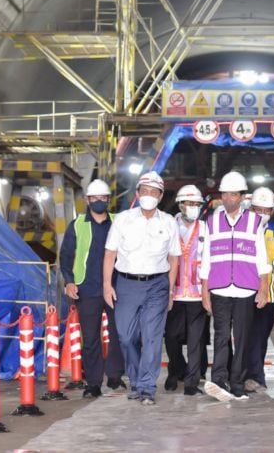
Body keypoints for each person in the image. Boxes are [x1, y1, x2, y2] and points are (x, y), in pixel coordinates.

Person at [102, 171, 180, 406]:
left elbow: (174, 258)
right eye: (144, 191)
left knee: (152, 337)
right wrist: (107, 284)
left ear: (160, 195)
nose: (149, 195)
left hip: (157, 285)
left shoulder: (168, 222)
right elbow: (110, 253)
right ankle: (135, 379)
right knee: (126, 336)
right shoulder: (123, 220)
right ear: (137, 193)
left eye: (154, 192)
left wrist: (170, 290)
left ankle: (146, 387)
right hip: (126, 284)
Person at [200, 171, 270, 402]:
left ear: (242, 197)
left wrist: (263, 289)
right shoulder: (211, 222)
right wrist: (204, 291)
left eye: (234, 194)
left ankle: (237, 383)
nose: (229, 198)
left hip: (245, 288)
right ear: (221, 196)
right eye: (225, 194)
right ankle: (219, 381)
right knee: (220, 336)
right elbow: (206, 258)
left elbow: (262, 258)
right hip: (219, 288)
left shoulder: (254, 222)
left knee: (241, 337)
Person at [59, 179, 126, 398]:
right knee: (91, 337)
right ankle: (94, 383)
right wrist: (69, 281)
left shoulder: (119, 222)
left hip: (116, 287)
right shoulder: (77, 225)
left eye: (103, 198)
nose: (99, 201)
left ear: (108, 200)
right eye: (94, 198)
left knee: (119, 335)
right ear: (88, 200)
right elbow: (66, 255)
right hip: (86, 288)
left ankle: (115, 376)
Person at [164, 184, 208, 396]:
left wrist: (209, 293)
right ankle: (174, 372)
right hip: (174, 292)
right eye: (189, 204)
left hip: (198, 293)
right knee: (171, 337)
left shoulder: (206, 228)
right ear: (181, 205)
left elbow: (209, 262)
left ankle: (192, 382)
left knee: (196, 340)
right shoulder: (168, 225)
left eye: (196, 204)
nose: (193, 207)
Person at [245, 187, 274, 392]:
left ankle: (256, 376)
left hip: (270, 294)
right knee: (245, 335)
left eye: (266, 210)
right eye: (258, 209)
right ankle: (247, 375)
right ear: (251, 208)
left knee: (261, 336)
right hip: (244, 292)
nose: (262, 213)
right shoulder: (241, 230)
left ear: (272, 211)